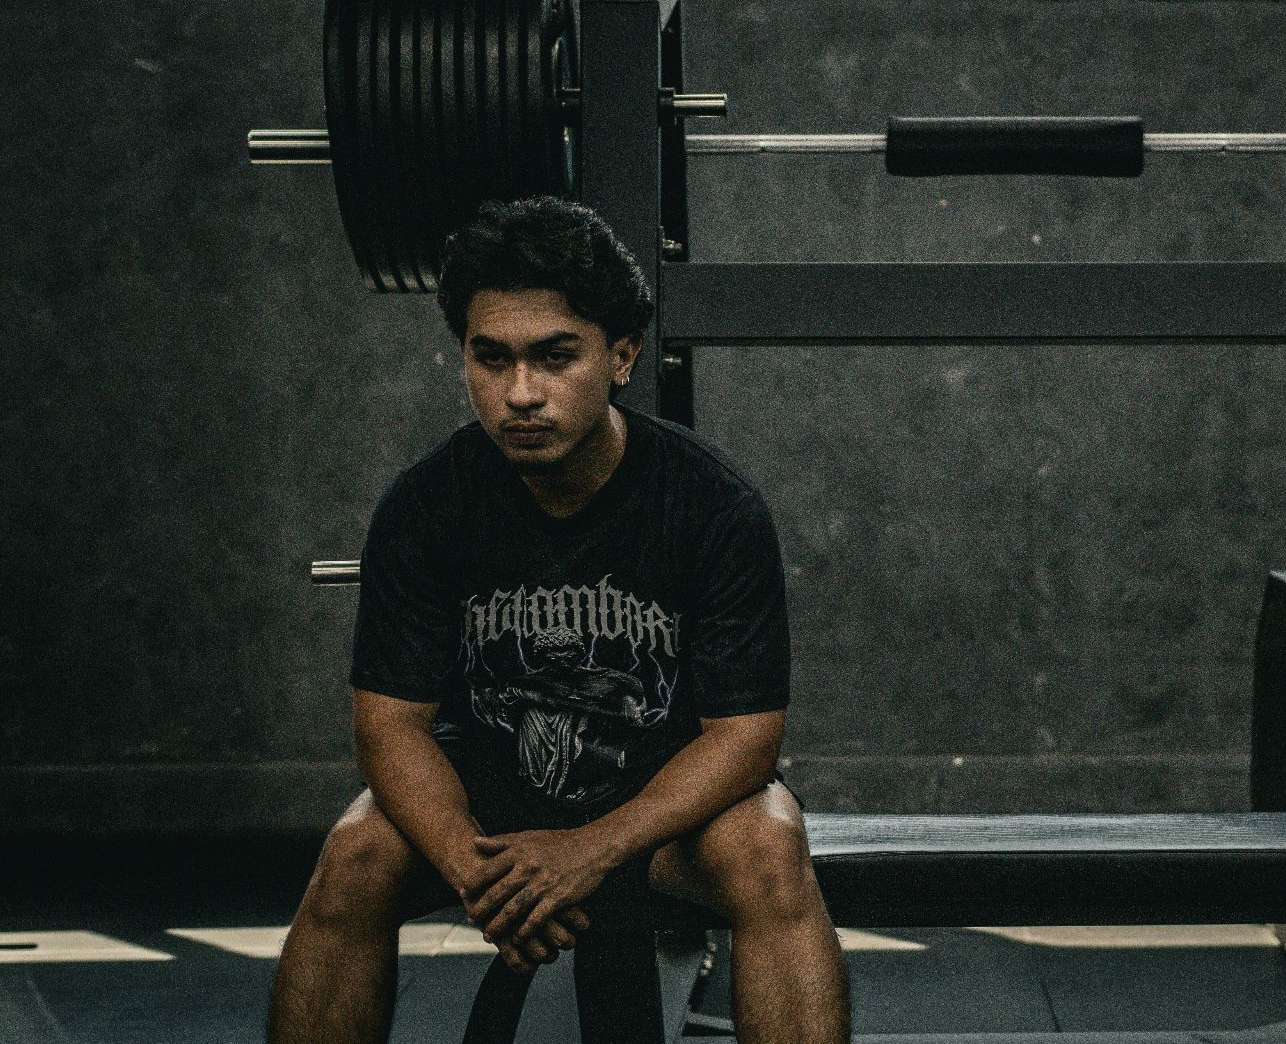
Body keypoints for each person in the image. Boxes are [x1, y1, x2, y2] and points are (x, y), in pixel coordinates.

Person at [267, 196, 850, 1044]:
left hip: (662, 801)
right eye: (490, 358)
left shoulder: (712, 508)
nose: (521, 394)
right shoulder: (427, 506)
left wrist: (591, 850)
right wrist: (484, 874)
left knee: (768, 851)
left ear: (620, 357)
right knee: (354, 859)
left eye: (555, 357)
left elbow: (744, 739)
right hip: (494, 793)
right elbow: (389, 729)